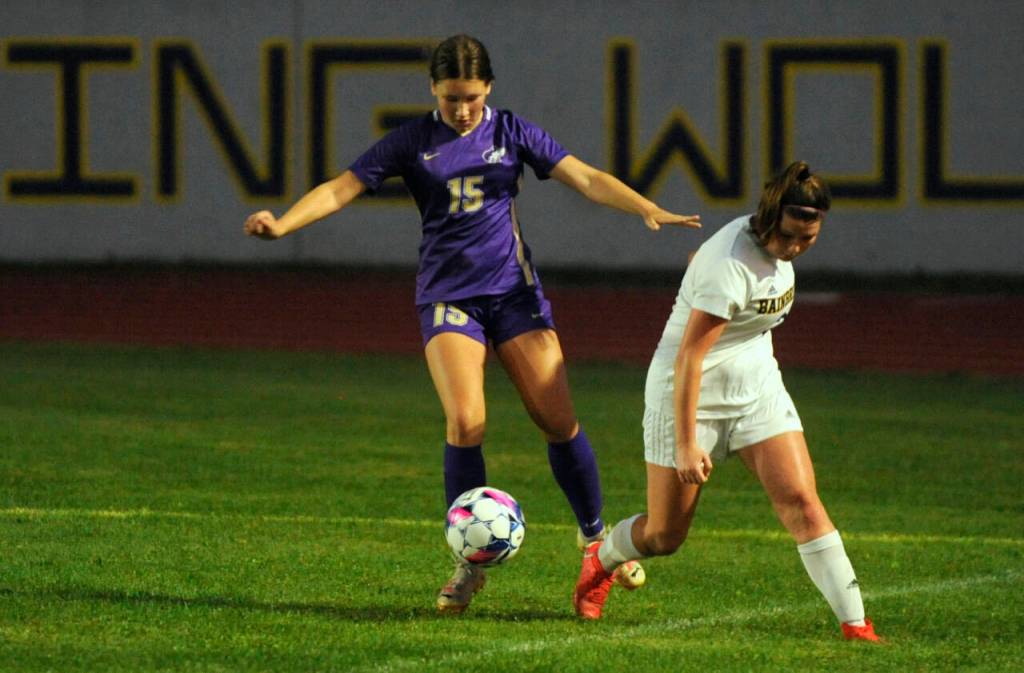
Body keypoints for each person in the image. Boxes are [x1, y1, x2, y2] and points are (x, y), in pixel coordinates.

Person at [243, 34, 701, 614]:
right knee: (466, 420)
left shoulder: (510, 132)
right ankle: (468, 563)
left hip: (514, 295)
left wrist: (645, 206)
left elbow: (582, 176)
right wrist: (283, 225)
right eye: (452, 97)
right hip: (447, 297)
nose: (463, 109)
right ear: (433, 89)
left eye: (472, 96)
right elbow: (343, 187)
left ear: (488, 88)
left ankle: (595, 539)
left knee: (558, 420)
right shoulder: (414, 140)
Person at [572, 161, 880, 642]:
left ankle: (857, 626)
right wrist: (687, 442)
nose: (796, 247)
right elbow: (690, 358)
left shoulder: (764, 249)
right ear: (770, 216)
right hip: (688, 395)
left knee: (802, 501)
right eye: (791, 236)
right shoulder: (731, 265)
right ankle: (603, 557)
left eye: (808, 239)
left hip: (756, 388)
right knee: (663, 536)